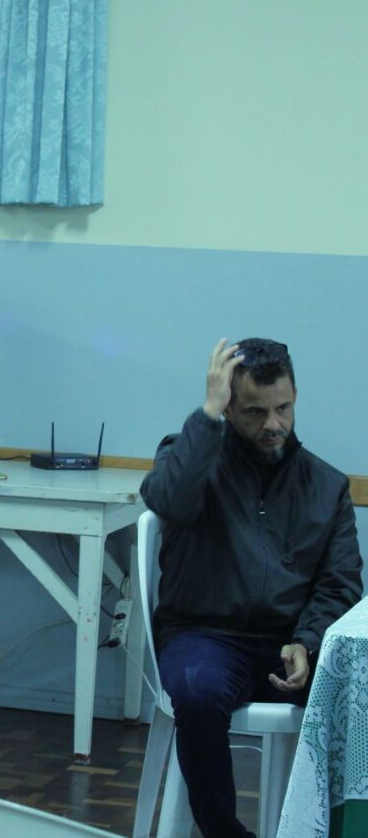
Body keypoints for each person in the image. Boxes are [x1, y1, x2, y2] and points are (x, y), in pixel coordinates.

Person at [140, 338, 362, 838]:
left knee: (359, 691)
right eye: (254, 412)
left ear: (295, 396)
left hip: (291, 643)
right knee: (197, 693)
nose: (273, 424)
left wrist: (308, 641)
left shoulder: (327, 485)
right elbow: (167, 499)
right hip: (205, 635)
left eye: (283, 408)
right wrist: (207, 415)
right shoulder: (190, 456)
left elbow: (340, 582)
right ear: (229, 407)